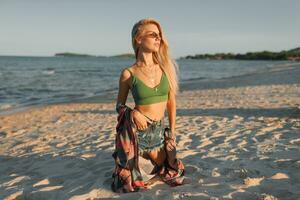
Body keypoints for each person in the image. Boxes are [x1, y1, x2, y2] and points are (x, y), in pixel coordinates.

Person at [113, 17, 184, 192]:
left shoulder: (165, 68)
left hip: (159, 134)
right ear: (138, 39)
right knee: (130, 182)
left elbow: (171, 102)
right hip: (138, 136)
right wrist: (134, 113)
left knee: (173, 171)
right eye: (153, 34)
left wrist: (172, 131)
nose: (158, 38)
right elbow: (119, 105)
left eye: (159, 35)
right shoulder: (128, 73)